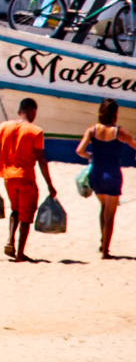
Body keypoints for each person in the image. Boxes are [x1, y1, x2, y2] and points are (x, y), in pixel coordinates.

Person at [0, 98, 52, 262]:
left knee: (15, 210)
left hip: (8, 178)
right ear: (33, 111)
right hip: (26, 178)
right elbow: (41, 161)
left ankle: (10, 240)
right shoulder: (36, 131)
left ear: (19, 111)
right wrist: (50, 185)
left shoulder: (3, 127)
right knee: (26, 216)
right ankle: (20, 254)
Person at [77, 98, 134, 258]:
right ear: (115, 114)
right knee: (110, 215)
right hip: (113, 175)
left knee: (103, 208)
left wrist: (90, 155)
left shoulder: (92, 130)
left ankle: (102, 243)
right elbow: (134, 144)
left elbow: (80, 150)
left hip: (96, 174)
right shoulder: (119, 131)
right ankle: (105, 251)